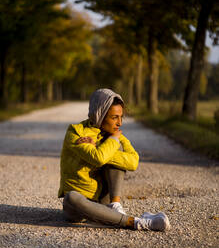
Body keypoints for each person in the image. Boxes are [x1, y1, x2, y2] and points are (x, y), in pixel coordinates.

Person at [58, 88, 170, 231]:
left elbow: (133, 162)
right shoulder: (76, 132)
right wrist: (108, 145)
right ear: (100, 114)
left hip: (103, 200)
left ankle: (115, 206)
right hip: (78, 207)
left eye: (121, 117)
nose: (119, 123)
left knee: (117, 149)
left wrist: (100, 145)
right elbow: (98, 158)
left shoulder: (115, 135)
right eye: (114, 117)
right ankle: (136, 222)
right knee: (71, 198)